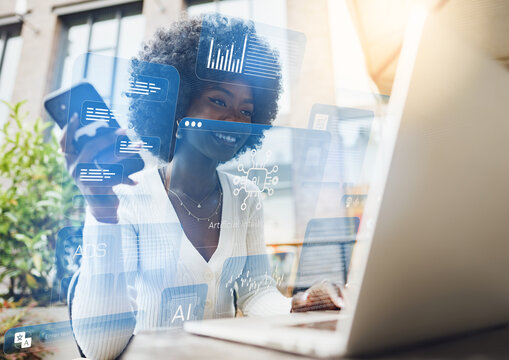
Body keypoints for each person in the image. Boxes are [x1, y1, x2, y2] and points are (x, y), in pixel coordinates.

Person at [63, 14, 343, 360]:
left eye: (246, 111)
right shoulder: (127, 198)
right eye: (220, 101)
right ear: (177, 107)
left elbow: (256, 295)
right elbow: (101, 351)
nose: (236, 121)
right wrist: (103, 216)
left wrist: (301, 303)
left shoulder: (245, 197)